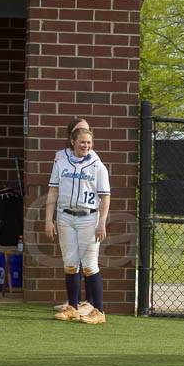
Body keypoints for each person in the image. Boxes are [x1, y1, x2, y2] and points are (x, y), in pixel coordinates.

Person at [45, 125, 111, 324]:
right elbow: (53, 192)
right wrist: (49, 219)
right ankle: (72, 308)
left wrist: (102, 223)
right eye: (82, 142)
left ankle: (99, 312)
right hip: (65, 216)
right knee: (70, 265)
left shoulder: (97, 166)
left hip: (88, 218)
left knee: (90, 266)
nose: (86, 145)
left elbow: (105, 196)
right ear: (73, 142)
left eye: (89, 142)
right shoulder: (61, 162)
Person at [53, 117, 94, 317]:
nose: (84, 136)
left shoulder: (94, 158)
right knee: (71, 260)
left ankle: (91, 302)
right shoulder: (61, 157)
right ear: (71, 136)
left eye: (87, 132)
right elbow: (56, 186)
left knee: (89, 262)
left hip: (86, 216)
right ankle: (73, 301)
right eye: (79, 132)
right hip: (66, 214)